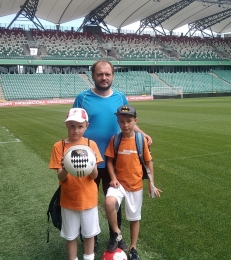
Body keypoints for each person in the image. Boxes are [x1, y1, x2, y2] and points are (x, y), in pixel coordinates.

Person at [73, 59, 152, 251]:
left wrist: (141, 133)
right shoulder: (82, 98)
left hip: (112, 162)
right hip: (87, 160)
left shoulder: (120, 97)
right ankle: (90, 236)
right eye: (100, 74)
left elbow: (128, 120)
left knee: (114, 201)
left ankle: (115, 236)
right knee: (86, 201)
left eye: (107, 74)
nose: (104, 77)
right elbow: (74, 125)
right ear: (93, 76)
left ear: (113, 76)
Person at [104, 105, 162, 260]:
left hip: (135, 185)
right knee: (109, 203)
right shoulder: (115, 139)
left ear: (135, 121)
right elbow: (109, 161)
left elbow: (148, 163)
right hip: (119, 184)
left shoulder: (140, 139)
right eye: (122, 121)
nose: (125, 125)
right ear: (118, 122)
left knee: (134, 218)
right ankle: (117, 233)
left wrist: (151, 183)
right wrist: (113, 178)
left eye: (129, 121)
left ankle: (133, 248)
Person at [49, 108, 103, 260]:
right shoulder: (59, 146)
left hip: (88, 198)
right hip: (68, 199)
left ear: (87, 125)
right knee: (71, 235)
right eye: (72, 125)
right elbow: (60, 176)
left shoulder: (90, 145)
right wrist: (65, 168)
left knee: (89, 234)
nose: (76, 130)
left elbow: (95, 176)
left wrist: (91, 165)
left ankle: (88, 257)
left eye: (80, 126)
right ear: (67, 125)